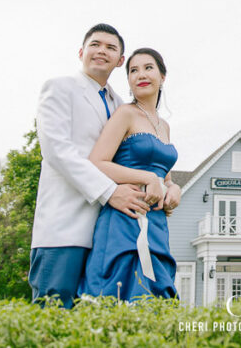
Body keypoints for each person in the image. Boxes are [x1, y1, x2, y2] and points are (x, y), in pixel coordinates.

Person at [28, 24, 181, 308]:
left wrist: (172, 187)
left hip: (114, 224)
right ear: (81, 51)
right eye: (95, 44)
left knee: (99, 316)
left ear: (119, 59)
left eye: (111, 48)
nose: (101, 51)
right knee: (53, 311)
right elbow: (56, 150)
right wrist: (110, 191)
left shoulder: (120, 103)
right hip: (67, 224)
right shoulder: (60, 88)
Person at [79, 47, 179, 300]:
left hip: (156, 222)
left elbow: (164, 177)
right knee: (120, 292)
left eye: (148, 68)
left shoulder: (164, 125)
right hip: (124, 216)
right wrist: (147, 178)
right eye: (133, 70)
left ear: (162, 76)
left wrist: (174, 188)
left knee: (156, 298)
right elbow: (97, 162)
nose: (140, 75)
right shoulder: (125, 113)